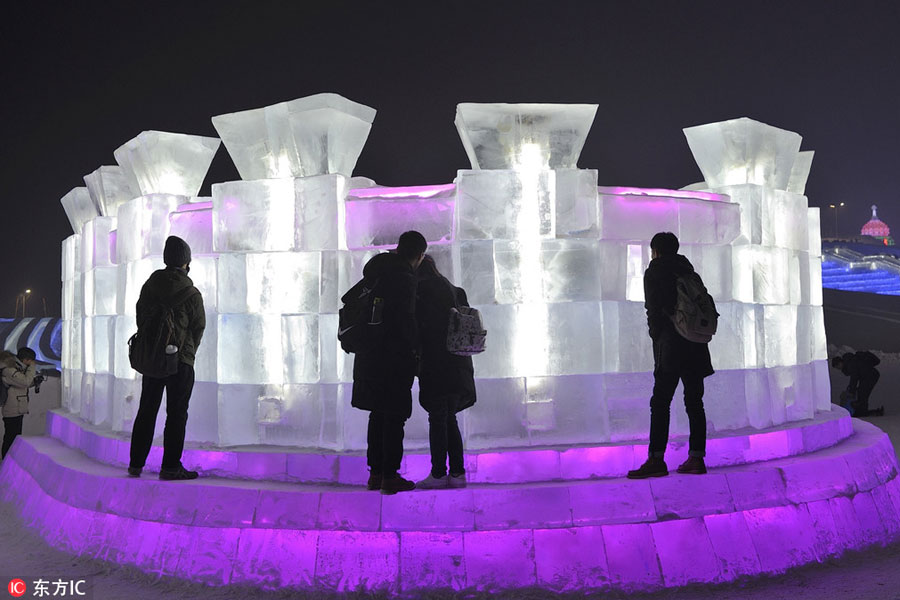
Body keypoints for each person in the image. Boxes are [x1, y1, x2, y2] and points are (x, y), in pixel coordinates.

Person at [628, 232, 714, 479]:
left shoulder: (655, 271)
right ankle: (696, 457)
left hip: (672, 347)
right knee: (695, 402)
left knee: (660, 402)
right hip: (696, 344)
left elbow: (653, 309)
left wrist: (657, 338)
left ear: (655, 250)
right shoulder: (688, 270)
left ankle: (656, 459)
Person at [351, 230, 427, 495]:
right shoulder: (403, 278)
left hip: (369, 358)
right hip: (392, 360)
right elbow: (404, 324)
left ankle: (375, 474)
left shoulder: (377, 273)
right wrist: (413, 354)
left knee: (378, 415)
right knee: (394, 417)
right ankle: (390, 476)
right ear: (420, 255)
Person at [128, 236, 205, 480]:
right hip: (180, 361)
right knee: (177, 413)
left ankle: (136, 464)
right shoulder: (191, 293)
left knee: (146, 410)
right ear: (186, 263)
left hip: (152, 359)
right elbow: (198, 327)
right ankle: (170, 466)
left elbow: (140, 317)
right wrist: (186, 351)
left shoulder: (150, 286)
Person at [414, 255, 476, 489]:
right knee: (449, 417)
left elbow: (420, 329)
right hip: (458, 363)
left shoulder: (421, 292)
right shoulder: (454, 290)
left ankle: (439, 473)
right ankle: (457, 473)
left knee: (438, 418)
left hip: (435, 363)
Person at [1, 347, 38, 458]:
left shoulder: (15, 368)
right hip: (12, 409)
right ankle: (6, 462)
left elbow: (21, 384)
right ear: (25, 360)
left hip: (17, 407)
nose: (31, 364)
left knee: (15, 437)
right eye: (30, 361)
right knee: (10, 438)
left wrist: (34, 382)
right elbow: (25, 382)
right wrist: (32, 368)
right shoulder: (9, 370)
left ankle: (11, 460)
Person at [831, 351, 883, 417]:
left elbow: (854, 378)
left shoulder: (850, 363)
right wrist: (851, 388)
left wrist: (851, 391)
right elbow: (855, 377)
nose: (838, 368)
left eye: (837, 366)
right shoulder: (850, 362)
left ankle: (863, 413)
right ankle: (862, 411)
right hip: (867, 376)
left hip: (871, 376)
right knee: (861, 392)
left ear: (840, 362)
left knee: (862, 393)